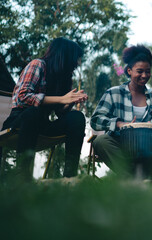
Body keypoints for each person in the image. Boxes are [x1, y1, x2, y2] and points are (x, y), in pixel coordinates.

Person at [2, 37, 88, 181]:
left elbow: (60, 113)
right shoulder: (38, 65)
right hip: (20, 122)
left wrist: (71, 101)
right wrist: (61, 99)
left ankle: (70, 176)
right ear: (65, 56)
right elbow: (23, 96)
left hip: (42, 124)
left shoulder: (64, 78)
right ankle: (22, 175)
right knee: (33, 112)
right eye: (76, 59)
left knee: (76, 117)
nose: (77, 63)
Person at [90, 45, 152, 178]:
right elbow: (95, 120)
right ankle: (138, 177)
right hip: (121, 145)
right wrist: (119, 124)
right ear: (129, 71)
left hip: (148, 147)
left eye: (148, 71)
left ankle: (135, 177)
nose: (144, 75)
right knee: (100, 141)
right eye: (139, 71)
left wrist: (151, 125)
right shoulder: (114, 93)